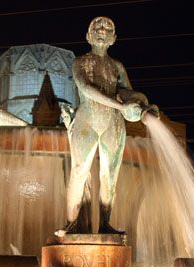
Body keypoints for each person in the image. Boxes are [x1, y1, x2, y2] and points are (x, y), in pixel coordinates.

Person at [62, 16, 157, 234]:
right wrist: (120, 106)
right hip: (86, 120)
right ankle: (73, 222)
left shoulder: (117, 66)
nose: (102, 30)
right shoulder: (80, 62)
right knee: (79, 169)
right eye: (97, 26)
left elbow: (125, 90)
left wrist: (142, 101)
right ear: (88, 36)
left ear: (114, 38)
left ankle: (105, 223)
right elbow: (86, 89)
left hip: (113, 124)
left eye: (107, 28)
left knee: (110, 175)